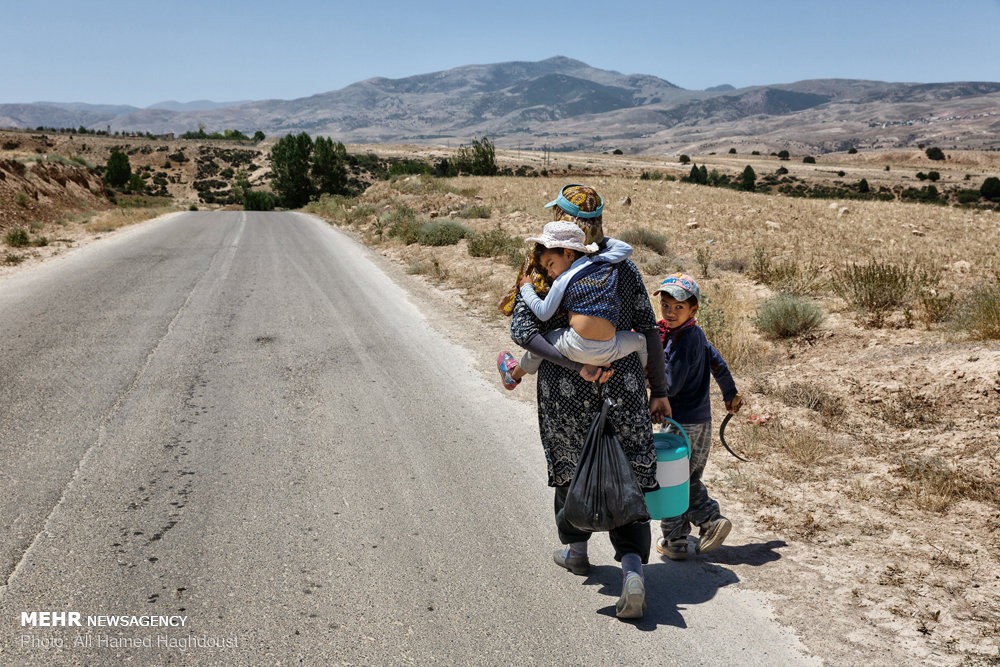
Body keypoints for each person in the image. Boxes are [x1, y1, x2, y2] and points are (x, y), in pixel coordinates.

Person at [506, 184, 672, 620]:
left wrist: (570, 362)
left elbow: (525, 331)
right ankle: (633, 570)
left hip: (566, 394)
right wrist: (660, 391)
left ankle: (576, 550)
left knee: (570, 465)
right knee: (627, 478)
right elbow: (649, 331)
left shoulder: (544, 267)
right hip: (624, 389)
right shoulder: (624, 269)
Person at [652, 273, 743, 561]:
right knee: (685, 476)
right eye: (666, 305)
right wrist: (730, 394)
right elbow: (719, 364)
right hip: (702, 421)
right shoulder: (696, 334)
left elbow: (670, 385)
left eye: (679, 307)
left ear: (693, 310)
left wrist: (648, 370)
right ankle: (676, 541)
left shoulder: (681, 341)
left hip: (678, 423)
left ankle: (710, 521)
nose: (670, 312)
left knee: (673, 480)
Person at [496, 220, 646, 390]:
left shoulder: (563, 280)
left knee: (541, 344)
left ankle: (513, 375)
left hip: (576, 346)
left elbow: (543, 312)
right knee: (640, 341)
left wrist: (527, 289)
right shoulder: (601, 260)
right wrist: (596, 240)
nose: (550, 273)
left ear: (568, 254)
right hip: (610, 349)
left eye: (550, 264)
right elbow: (626, 249)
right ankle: (644, 374)